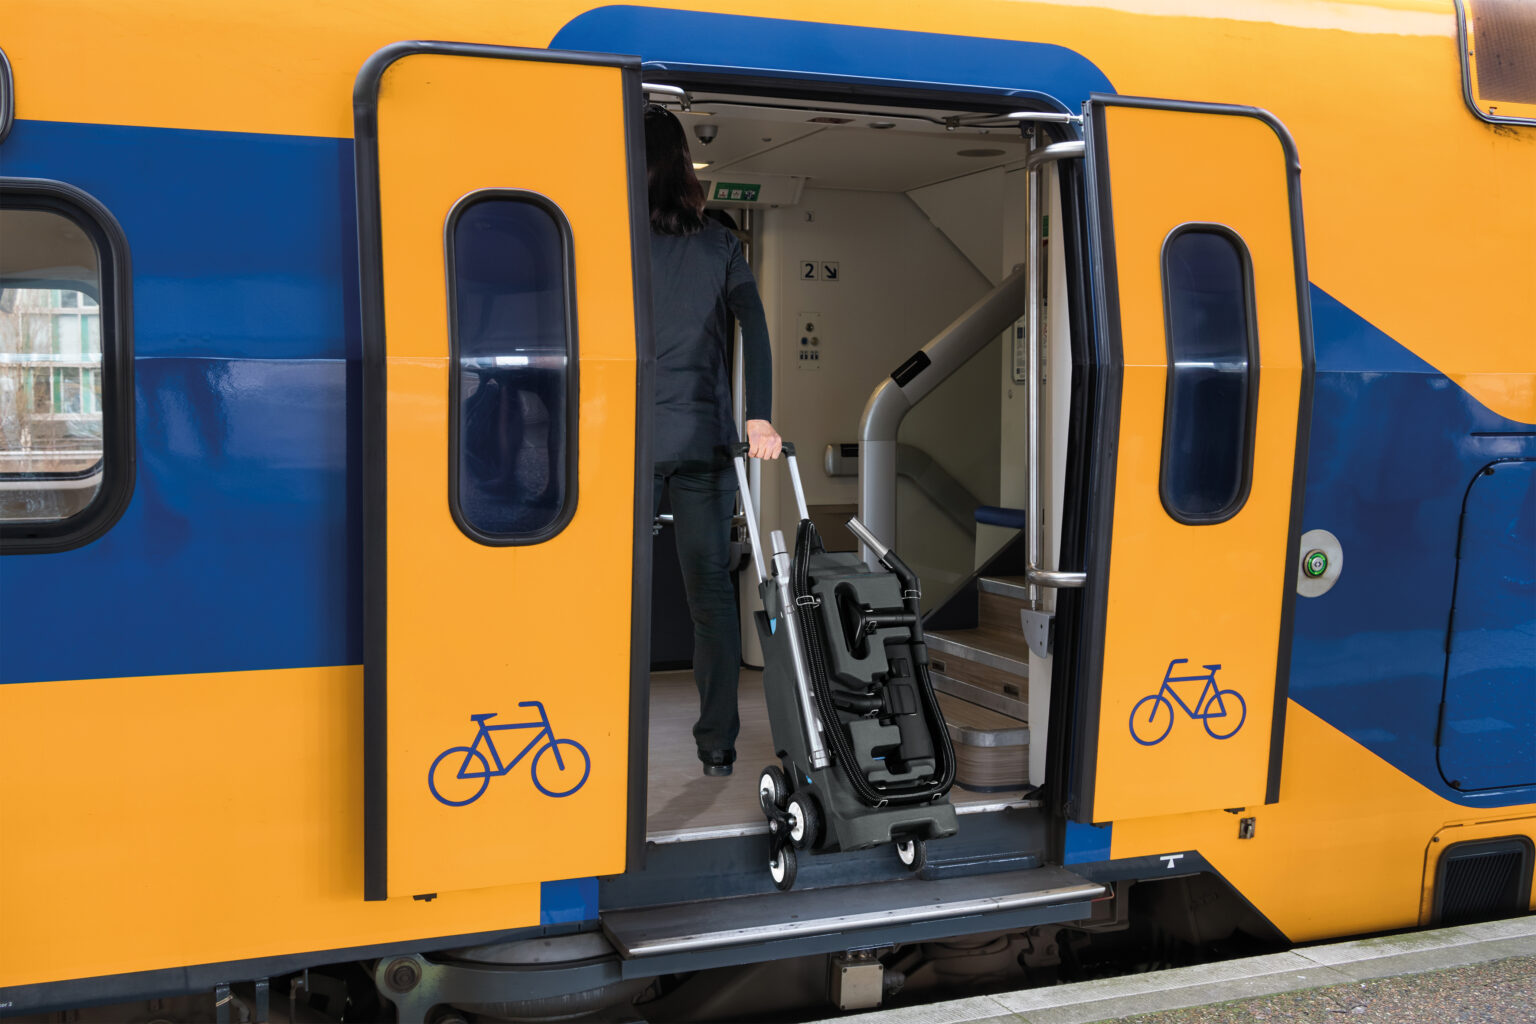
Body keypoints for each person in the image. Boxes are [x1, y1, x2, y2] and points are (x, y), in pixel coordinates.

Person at [645, 104, 782, 778]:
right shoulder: (719, 240)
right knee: (711, 595)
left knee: (608, 590)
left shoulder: (602, 235)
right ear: (683, 165)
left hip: (629, 443)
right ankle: (717, 743)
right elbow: (753, 328)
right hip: (703, 436)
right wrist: (758, 416)